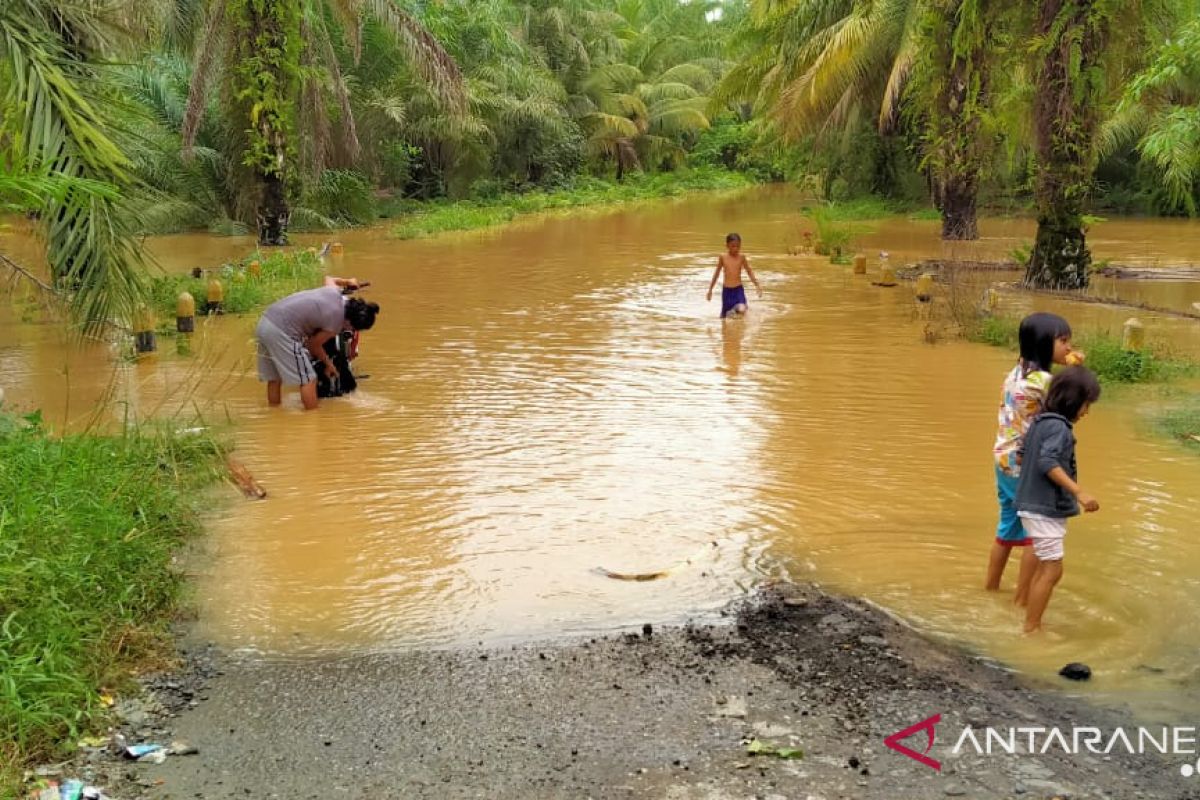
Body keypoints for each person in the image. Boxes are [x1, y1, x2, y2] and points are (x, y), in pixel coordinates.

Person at [987, 312, 1077, 604]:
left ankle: (990, 589)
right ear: (1042, 344)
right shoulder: (1044, 381)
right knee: (1035, 534)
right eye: (1063, 341)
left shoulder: (1017, 371)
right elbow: (1072, 403)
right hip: (1025, 464)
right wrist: (1077, 365)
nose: (1068, 347)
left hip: (1003, 458)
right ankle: (1022, 601)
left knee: (1007, 527)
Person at [1015, 366, 1101, 633]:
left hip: (1031, 504)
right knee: (1053, 571)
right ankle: (1032, 628)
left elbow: (1021, 455)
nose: (1087, 412)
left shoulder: (1040, 421)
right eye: (1086, 404)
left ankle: (1029, 611)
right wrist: (1079, 492)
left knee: (1045, 565)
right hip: (1043, 508)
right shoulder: (1059, 429)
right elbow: (1047, 461)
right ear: (1073, 401)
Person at [255, 276, 379, 410]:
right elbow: (312, 344)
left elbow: (329, 278)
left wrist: (347, 282)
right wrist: (328, 364)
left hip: (265, 322)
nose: (349, 330)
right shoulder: (336, 322)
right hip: (282, 332)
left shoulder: (334, 293)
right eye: (352, 328)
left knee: (275, 378)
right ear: (350, 322)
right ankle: (313, 421)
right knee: (309, 379)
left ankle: (274, 413)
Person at [706, 233, 762, 318]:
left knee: (742, 309)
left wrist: (757, 285)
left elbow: (749, 271)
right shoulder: (723, 257)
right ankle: (730, 319)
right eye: (733, 246)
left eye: (738, 246)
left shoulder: (742, 257)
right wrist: (710, 289)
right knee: (723, 318)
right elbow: (716, 273)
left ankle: (735, 313)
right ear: (727, 246)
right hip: (727, 291)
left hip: (738, 290)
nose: (736, 249)